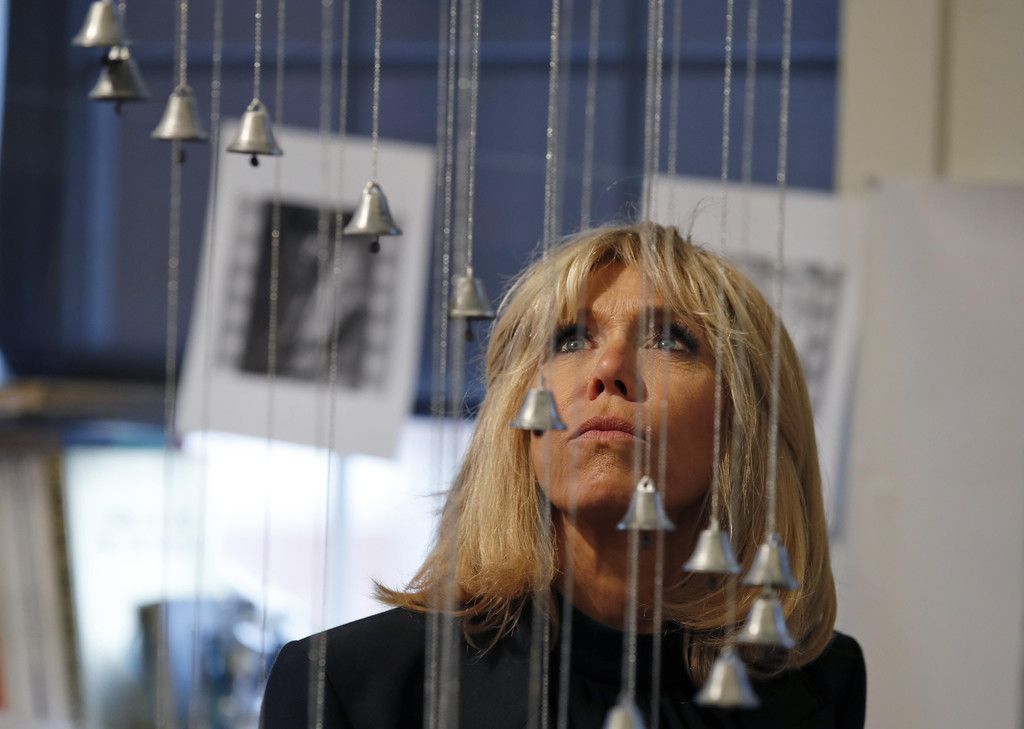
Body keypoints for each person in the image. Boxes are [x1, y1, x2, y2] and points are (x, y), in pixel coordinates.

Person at [261, 222, 866, 728]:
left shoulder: (817, 685)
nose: (608, 369)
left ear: (747, 422)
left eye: (670, 340)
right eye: (571, 340)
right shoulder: (349, 685)